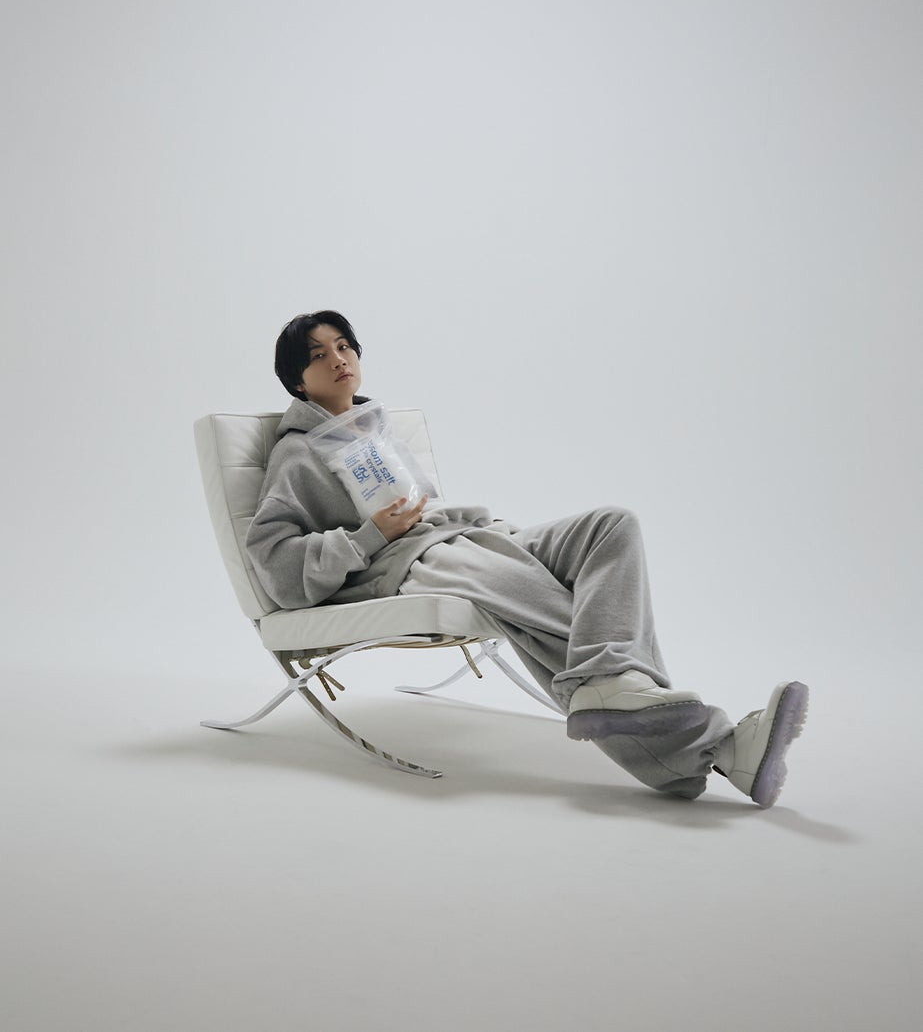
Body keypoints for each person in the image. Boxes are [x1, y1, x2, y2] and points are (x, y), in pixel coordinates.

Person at [246, 310, 809, 806]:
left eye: (344, 346)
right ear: (297, 380)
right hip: (408, 564)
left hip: (465, 535)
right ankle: (721, 745)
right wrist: (368, 536)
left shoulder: (378, 429)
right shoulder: (298, 453)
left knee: (611, 527)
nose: (338, 359)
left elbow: (426, 508)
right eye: (318, 355)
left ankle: (618, 696)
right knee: (555, 610)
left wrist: (486, 529)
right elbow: (274, 564)